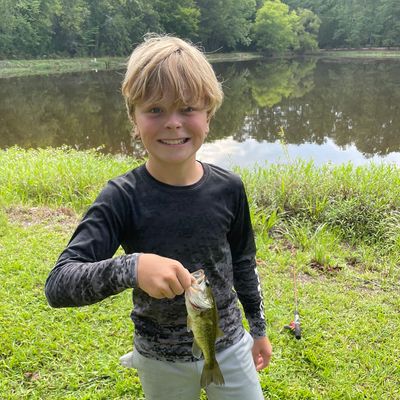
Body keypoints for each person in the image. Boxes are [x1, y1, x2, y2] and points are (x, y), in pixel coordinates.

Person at [45, 34, 272, 400]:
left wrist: (258, 330)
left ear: (209, 116)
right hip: (158, 360)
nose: (172, 123)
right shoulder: (121, 197)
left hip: (229, 346)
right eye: (155, 110)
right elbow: (58, 285)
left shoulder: (230, 187)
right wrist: (132, 268)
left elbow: (244, 261)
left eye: (188, 109)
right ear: (134, 119)